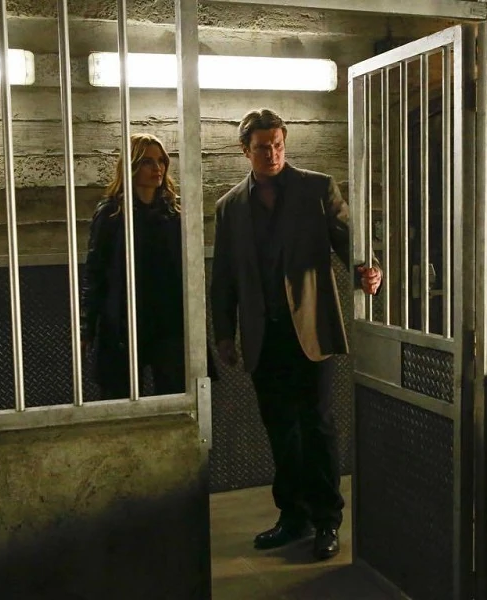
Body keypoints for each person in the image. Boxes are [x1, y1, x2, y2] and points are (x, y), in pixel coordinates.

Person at [211, 108, 382, 561]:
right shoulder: (229, 207)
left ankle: (327, 520)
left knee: (318, 425)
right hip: (262, 334)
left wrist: (368, 270)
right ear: (245, 150)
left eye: (277, 145)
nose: (272, 153)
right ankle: (293, 516)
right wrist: (224, 333)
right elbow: (223, 275)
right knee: (280, 429)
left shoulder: (316, 188)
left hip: (310, 330)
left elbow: (349, 241)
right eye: (262, 147)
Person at [81, 133, 186, 399]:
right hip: (124, 320)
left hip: (166, 319)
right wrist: (87, 327)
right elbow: (95, 272)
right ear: (132, 165)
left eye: (161, 161)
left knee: (174, 400)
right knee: (121, 401)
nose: (157, 168)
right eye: (148, 162)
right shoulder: (112, 213)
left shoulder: (173, 213)